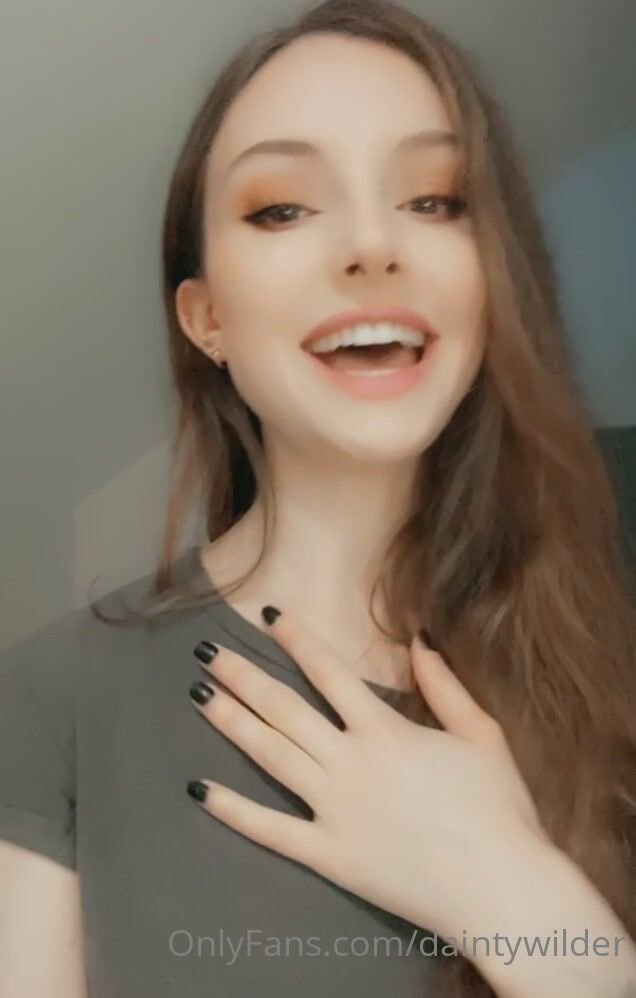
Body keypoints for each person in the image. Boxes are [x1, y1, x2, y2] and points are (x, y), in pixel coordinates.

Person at [1, 1, 635, 996]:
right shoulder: (53, 701)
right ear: (207, 317)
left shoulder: (615, 656)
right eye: (282, 209)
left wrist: (514, 893)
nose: (372, 245)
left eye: (433, 199)